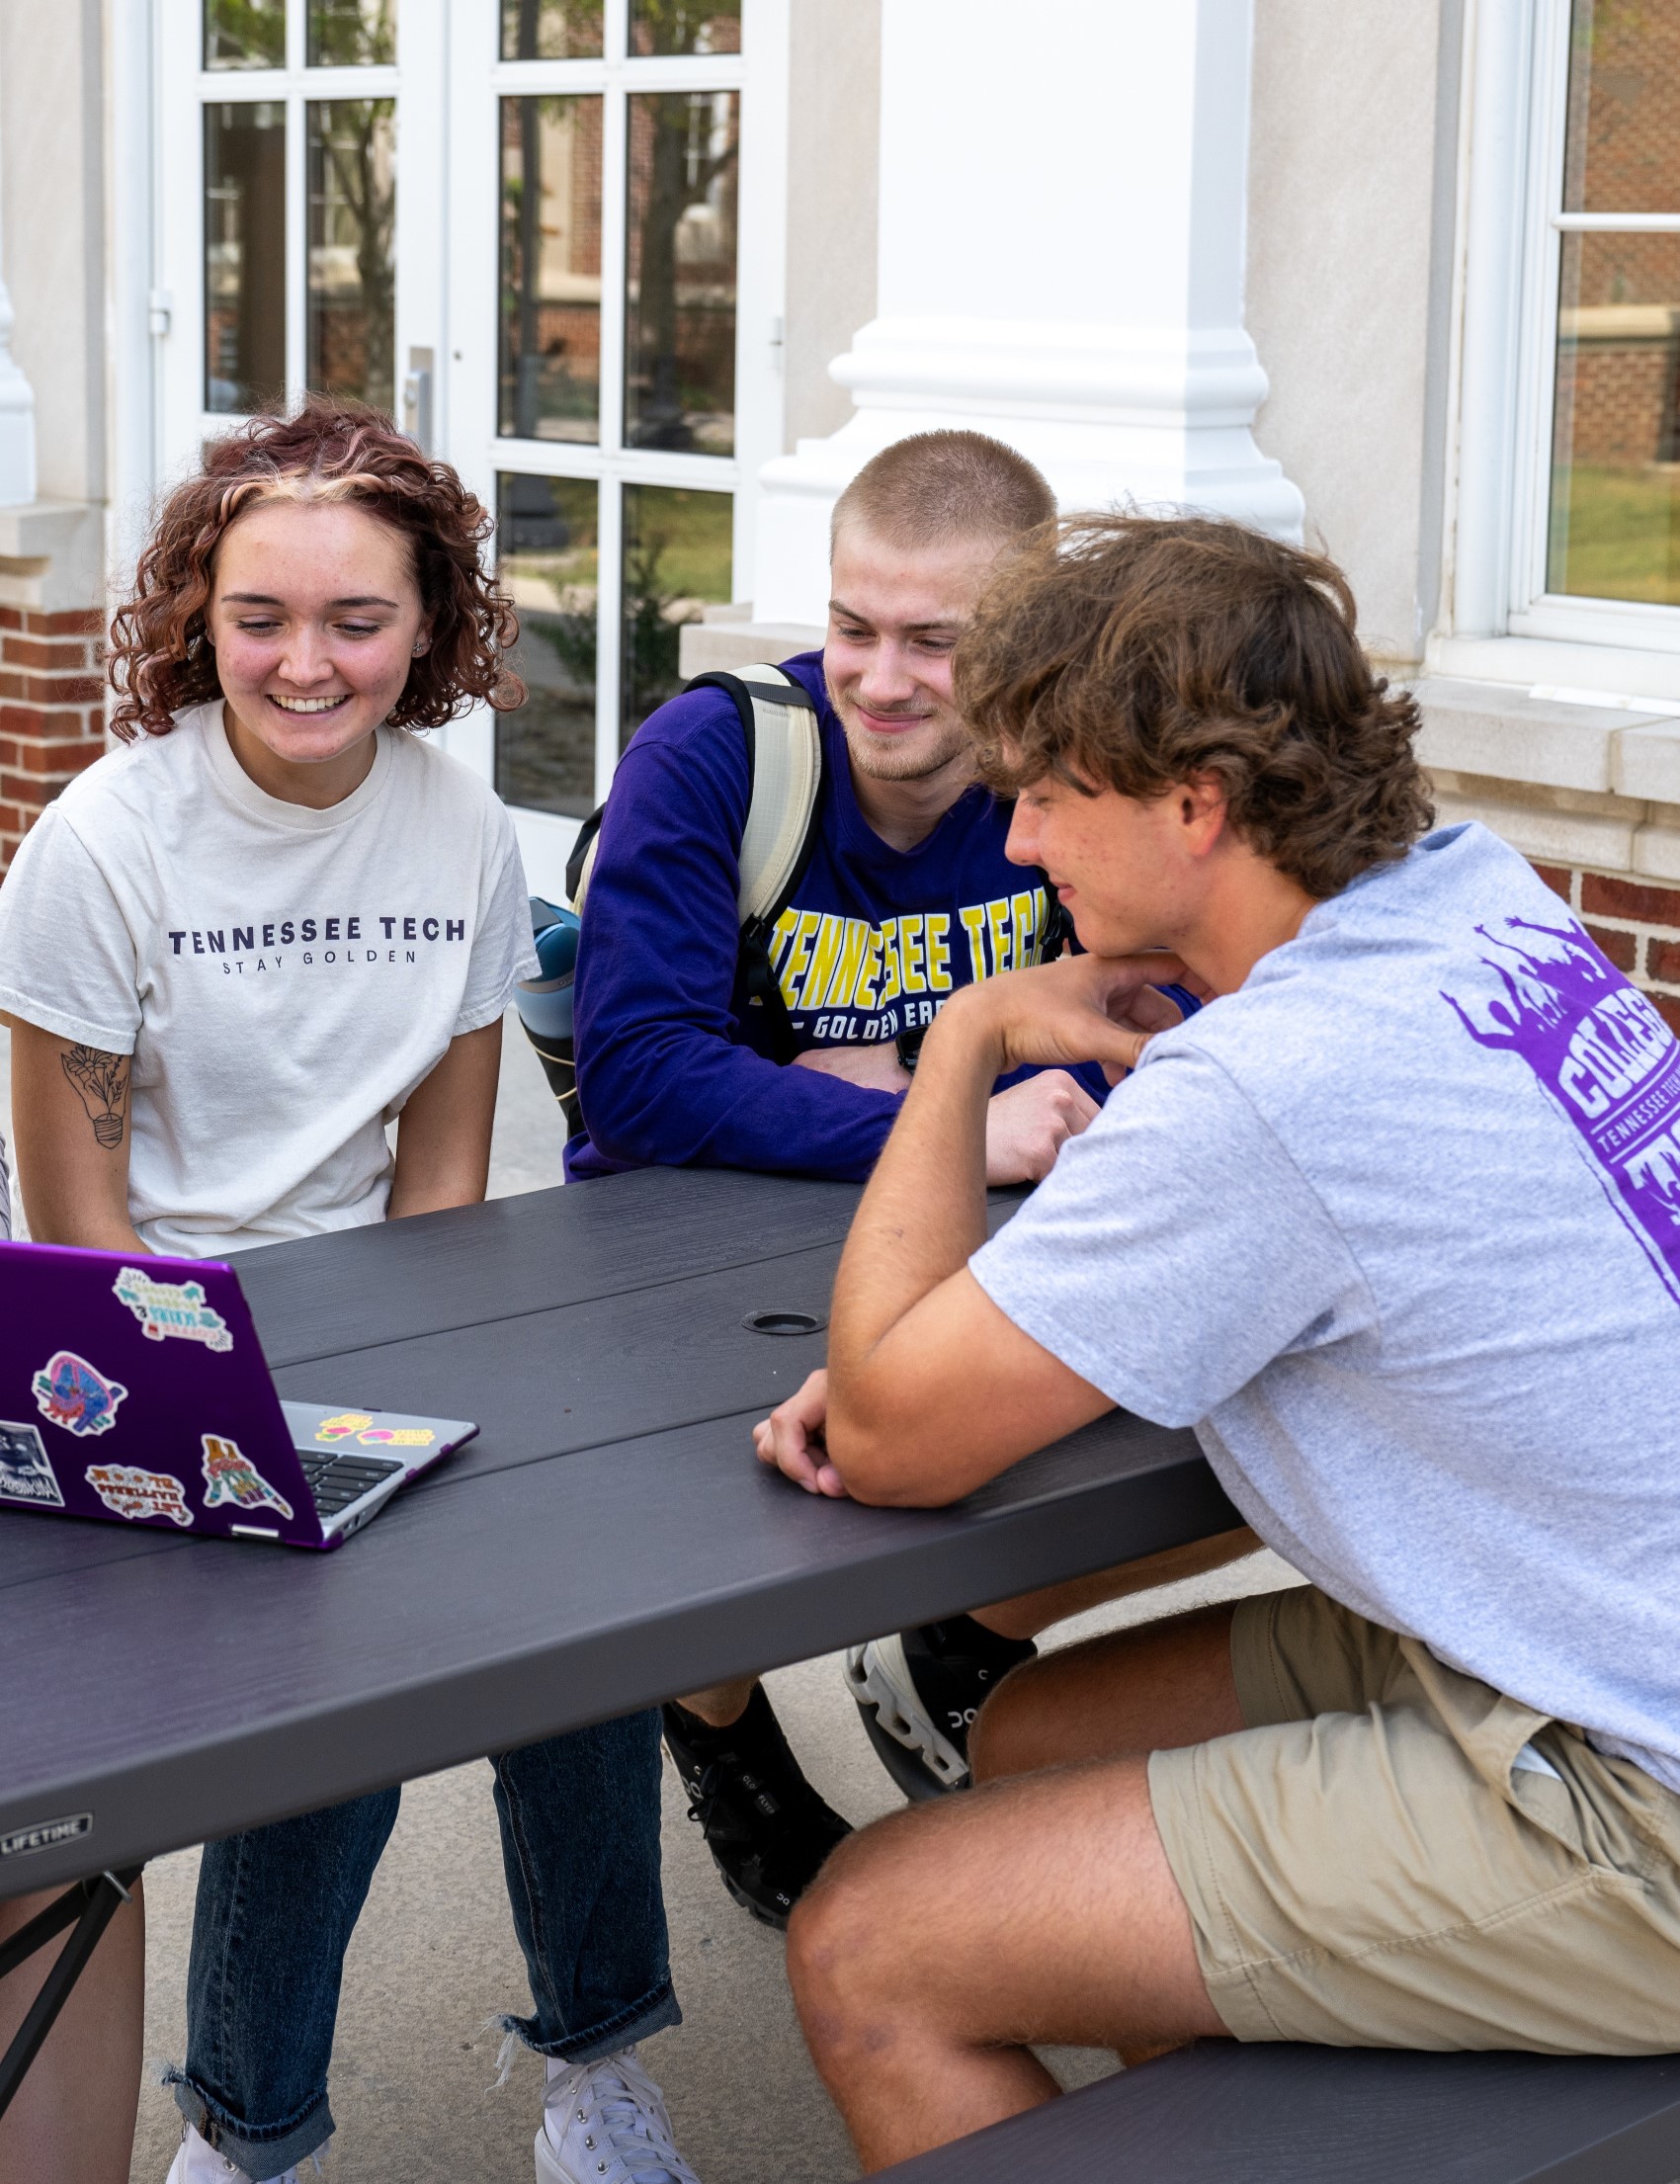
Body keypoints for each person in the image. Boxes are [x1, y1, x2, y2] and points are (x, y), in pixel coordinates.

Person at [754, 513, 1680, 2171]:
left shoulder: (1269, 1088)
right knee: (1029, 1737)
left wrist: (959, 1039)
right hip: (1584, 1623)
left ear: (1196, 806)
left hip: (1640, 1789)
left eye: (1048, 793)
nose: (1020, 840)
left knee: (868, 1941)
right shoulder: (1477, 900)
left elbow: (888, 1435)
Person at [0, 402, 698, 2184]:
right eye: (258, 616)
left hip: (388, 1330)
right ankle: (246, 2135)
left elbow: (445, 1194)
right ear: (194, 615)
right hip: (151, 1371)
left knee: (587, 1633)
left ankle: (596, 2073)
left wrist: (416, 1414)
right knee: (340, 1685)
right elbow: (82, 1255)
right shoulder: (99, 849)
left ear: (434, 625)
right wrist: (276, 1448)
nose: (304, 663)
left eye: (356, 621)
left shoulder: (463, 835)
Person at [567, 432, 1248, 1929]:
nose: (880, 680)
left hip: (978, 1229)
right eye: (853, 627)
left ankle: (952, 1648)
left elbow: (1168, 1029)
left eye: (935, 642)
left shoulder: (1079, 784)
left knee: (1164, 1432)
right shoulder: (721, 756)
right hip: (680, 1246)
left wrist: (871, 1083)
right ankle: (722, 1725)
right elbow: (635, 1074)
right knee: (707, 1520)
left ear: (1026, 641)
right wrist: (956, 1111)